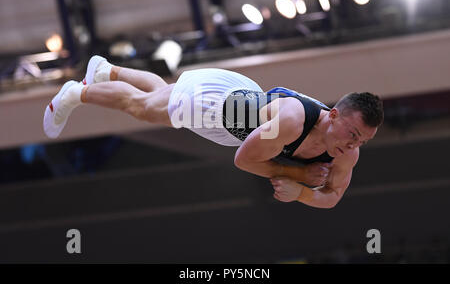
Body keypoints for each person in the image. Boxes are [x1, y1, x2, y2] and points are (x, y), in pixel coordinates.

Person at [43, 56, 383, 209]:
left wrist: (303, 193)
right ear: (333, 115)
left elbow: (332, 196)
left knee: (163, 96)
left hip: (243, 113)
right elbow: (245, 160)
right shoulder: (293, 122)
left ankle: (106, 70)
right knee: (143, 108)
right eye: (352, 133)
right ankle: (76, 92)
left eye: (362, 141)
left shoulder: (347, 153)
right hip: (220, 106)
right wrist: (299, 175)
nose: (354, 145)